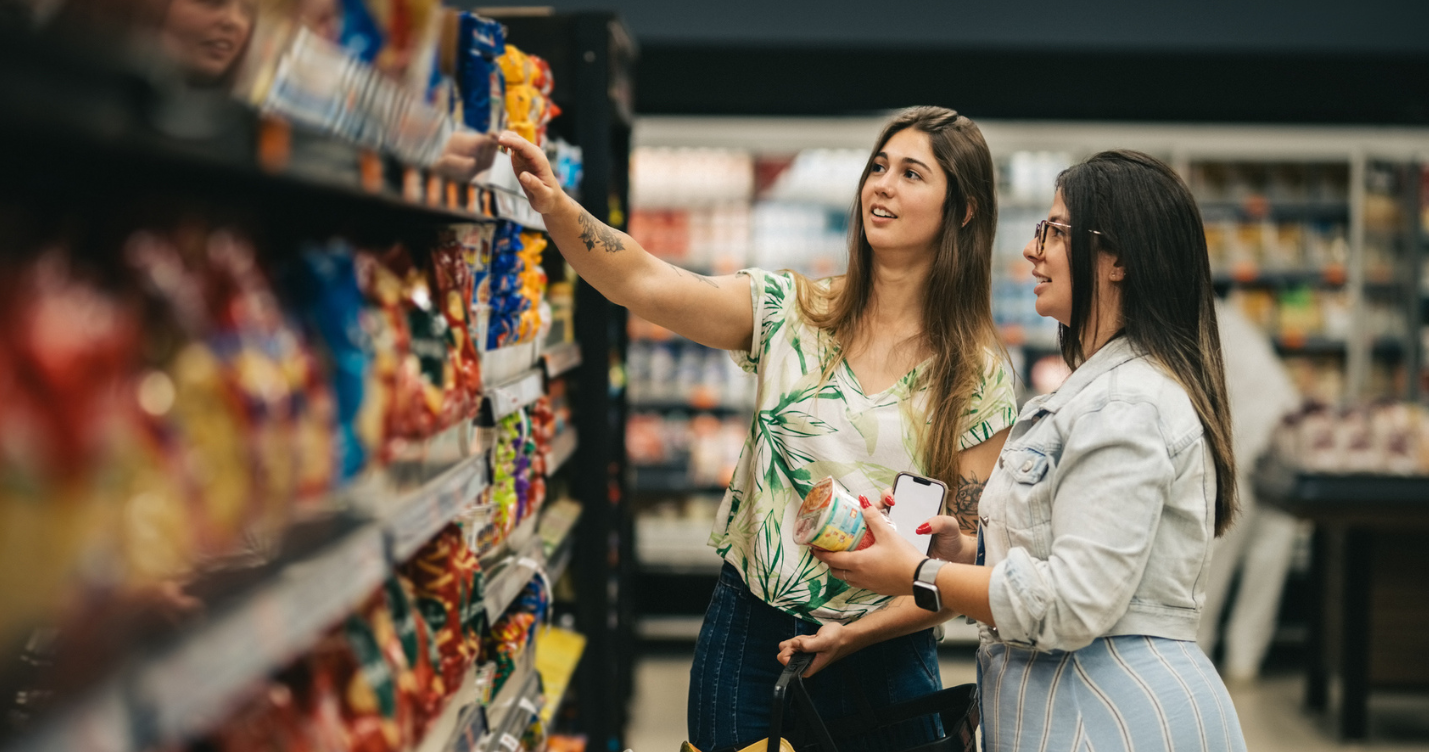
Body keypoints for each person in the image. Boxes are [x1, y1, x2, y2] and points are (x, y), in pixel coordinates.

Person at [499, 107, 1018, 752]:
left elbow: (962, 563)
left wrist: (853, 635)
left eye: (912, 174)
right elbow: (643, 281)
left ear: (963, 210)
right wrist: (557, 207)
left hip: (886, 649)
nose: (881, 185)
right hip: (752, 634)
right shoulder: (791, 313)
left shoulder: (977, 372)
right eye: (878, 167)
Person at [793, 151, 1249, 751]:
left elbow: (1070, 603)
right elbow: (1073, 555)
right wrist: (969, 551)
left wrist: (919, 573)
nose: (1034, 251)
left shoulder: (1125, 407)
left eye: (1056, 231)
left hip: (1114, 719)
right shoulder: (1096, 392)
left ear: (1119, 261)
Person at [1196, 298, 1303, 681]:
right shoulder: (1228, 317)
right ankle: (1244, 662)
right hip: (1287, 443)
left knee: (1216, 558)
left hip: (1248, 445)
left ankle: (1201, 660)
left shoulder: (1202, 318)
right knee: (1266, 560)